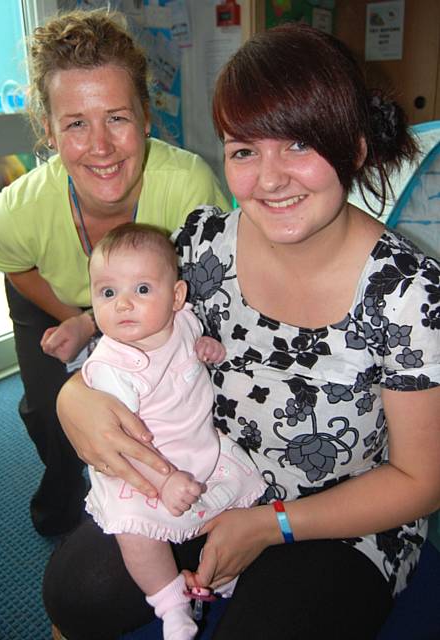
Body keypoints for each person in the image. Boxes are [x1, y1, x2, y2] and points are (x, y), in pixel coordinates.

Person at [45, 22, 440, 640]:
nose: (271, 178)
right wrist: (75, 399)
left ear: (355, 148)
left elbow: (421, 482)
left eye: (299, 146)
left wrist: (270, 524)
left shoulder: (409, 295)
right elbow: (128, 334)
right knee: (78, 592)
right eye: (244, 150)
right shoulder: (203, 245)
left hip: (336, 519)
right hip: (202, 475)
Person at [0, 9, 229, 537]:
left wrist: (102, 325)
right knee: (53, 415)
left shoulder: (189, 190)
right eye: (76, 123)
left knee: (172, 401)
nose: (100, 147)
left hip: (155, 299)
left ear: (145, 117)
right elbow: (13, 265)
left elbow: (215, 291)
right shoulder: (14, 212)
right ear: (47, 131)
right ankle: (63, 511)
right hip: (51, 293)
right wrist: (78, 319)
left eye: (117, 117)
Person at [82, 222, 264, 640]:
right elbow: (121, 444)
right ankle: (170, 606)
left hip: (199, 448)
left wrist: (208, 349)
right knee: (136, 534)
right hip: (142, 467)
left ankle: (218, 573)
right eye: (107, 293)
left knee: (236, 502)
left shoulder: (182, 321)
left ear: (177, 296)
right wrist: (163, 482)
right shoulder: (114, 366)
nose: (123, 304)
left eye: (141, 290)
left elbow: (197, 343)